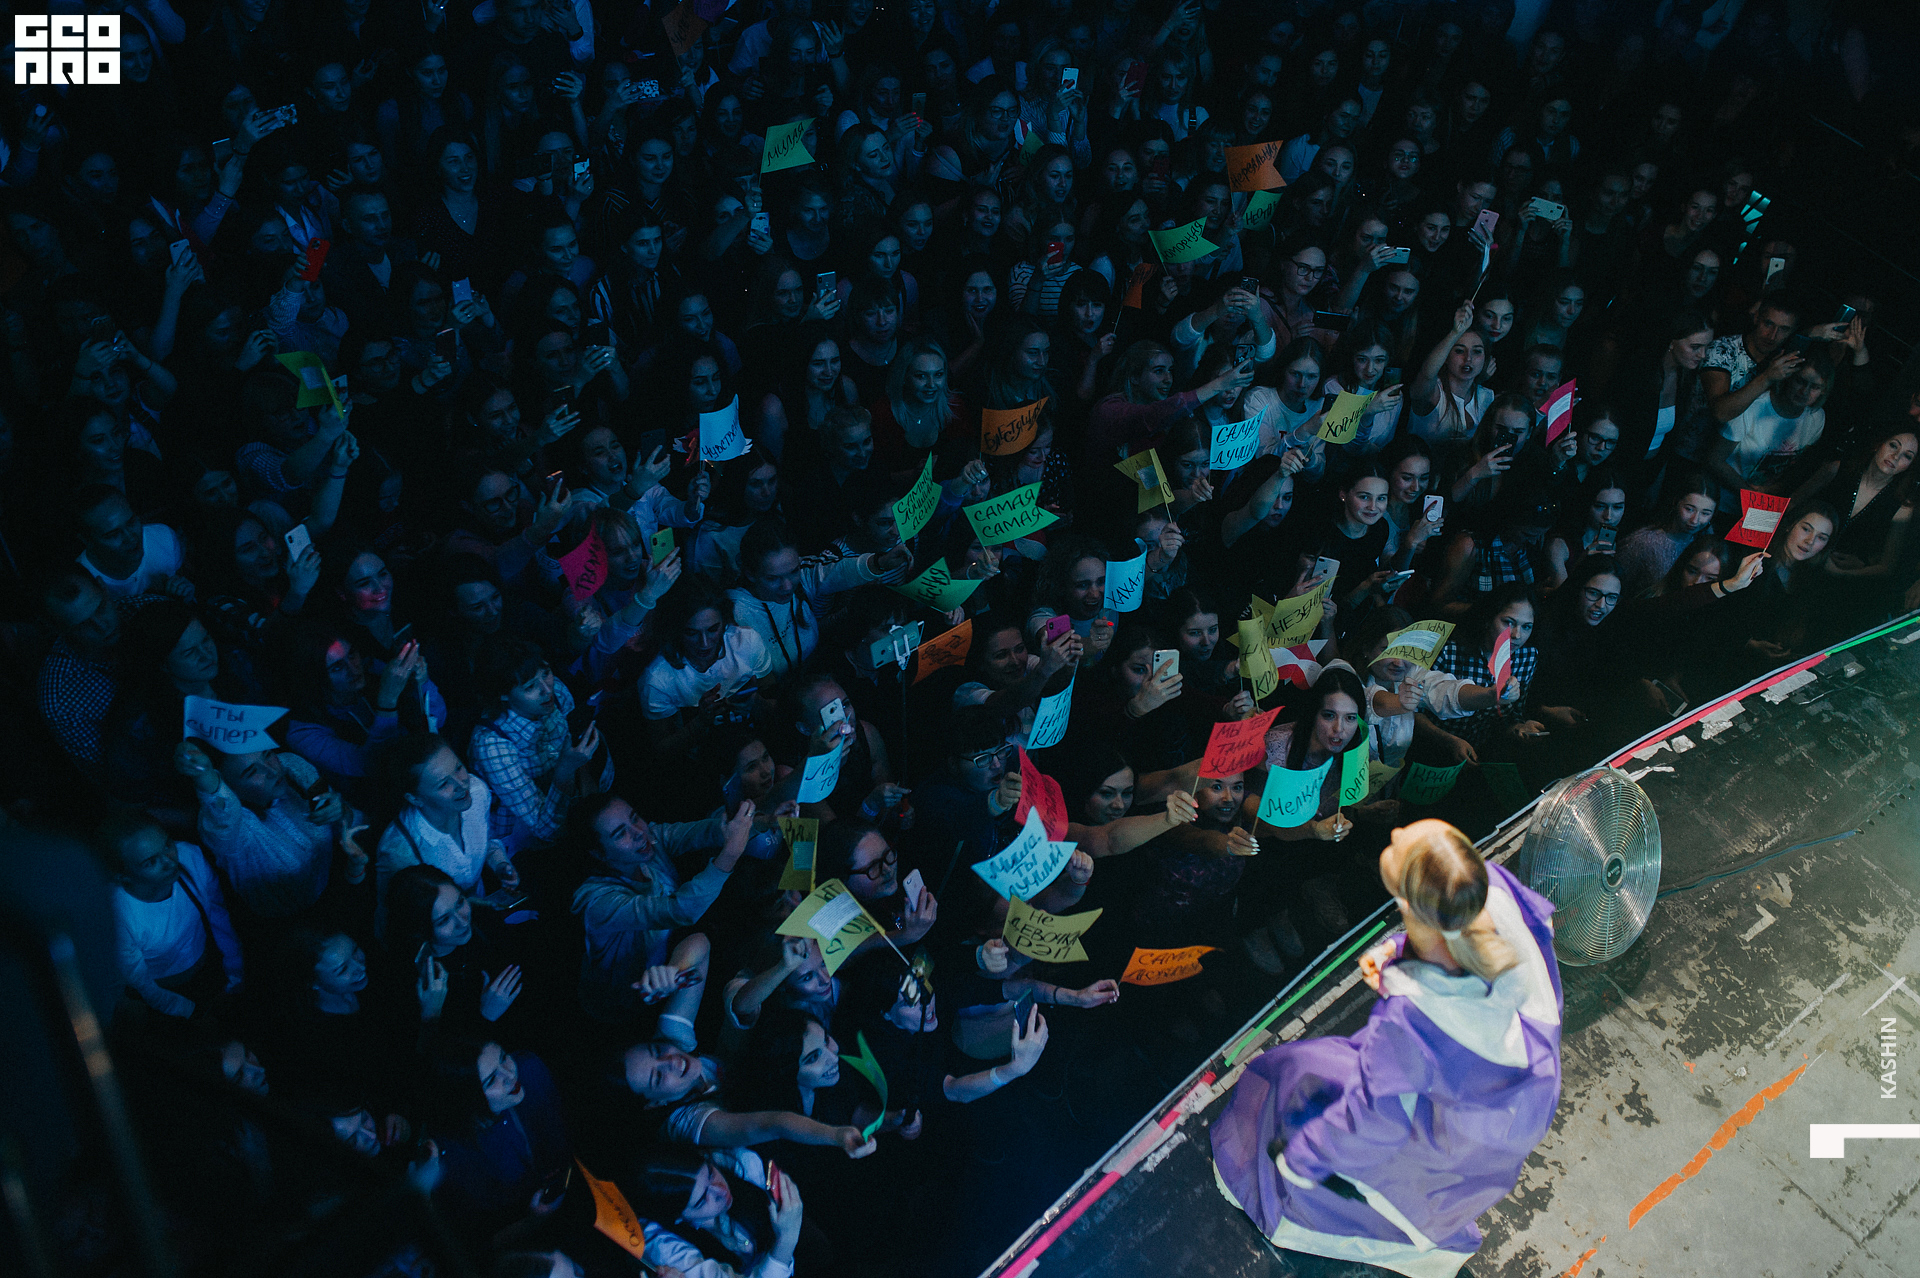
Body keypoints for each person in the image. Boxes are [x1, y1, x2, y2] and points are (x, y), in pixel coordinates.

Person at [1211, 819, 1561, 1276]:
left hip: (1460, 1127)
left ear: (1407, 906)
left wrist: (1303, 1157)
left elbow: (1374, 1122)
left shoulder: (1413, 1022)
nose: (1396, 834)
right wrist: (1397, 951)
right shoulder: (1486, 889)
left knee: (1299, 1076)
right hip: (1523, 1102)